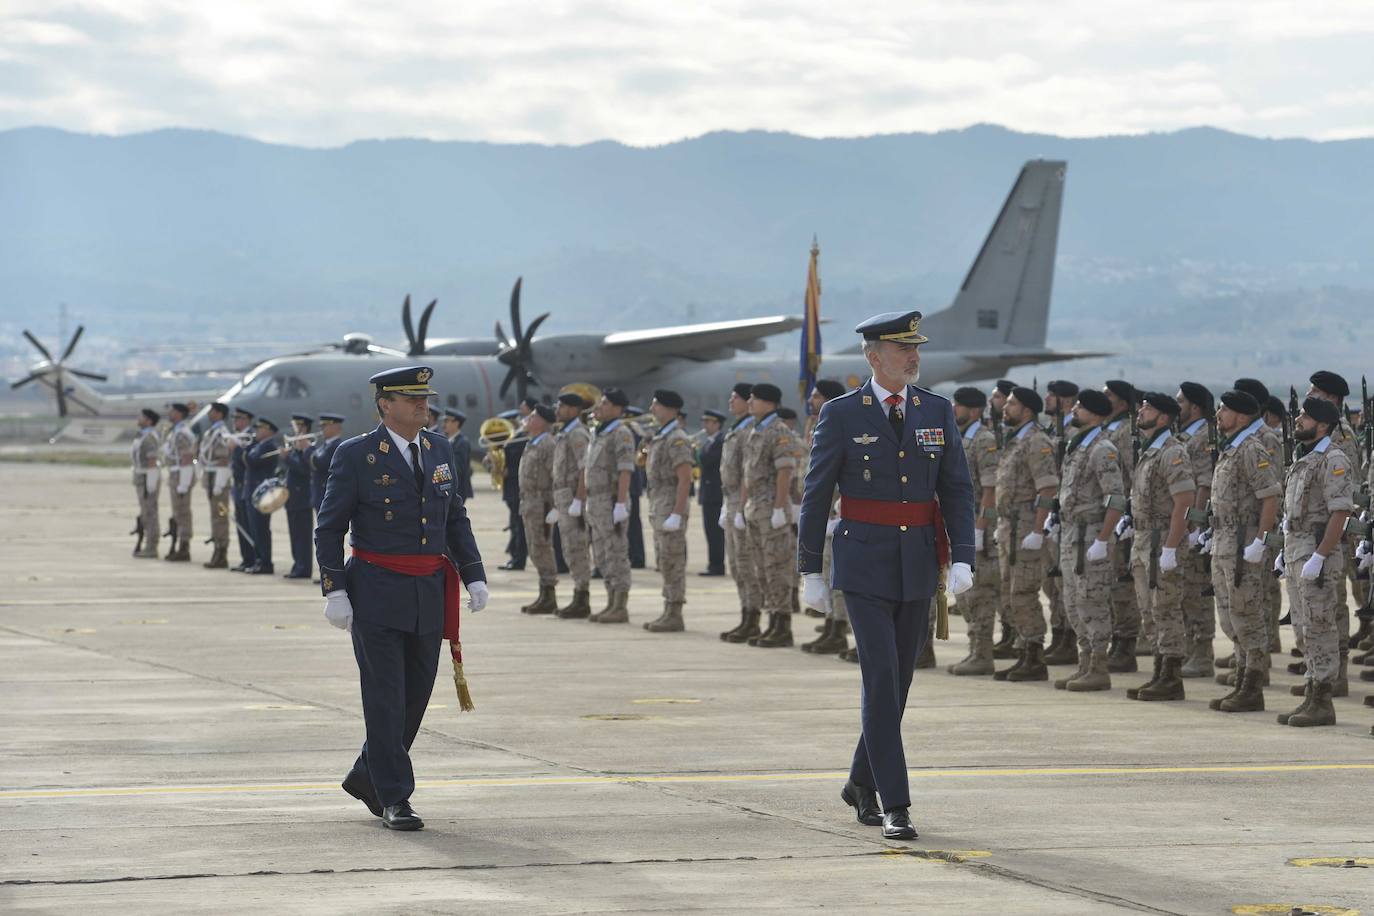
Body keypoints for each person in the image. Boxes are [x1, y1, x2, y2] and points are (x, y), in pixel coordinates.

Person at [798, 310, 975, 841]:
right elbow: (816, 492)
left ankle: (858, 780)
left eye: (916, 349)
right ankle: (894, 802)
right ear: (875, 358)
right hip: (863, 565)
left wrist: (962, 555)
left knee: (898, 685)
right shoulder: (842, 414)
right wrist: (809, 569)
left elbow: (957, 489)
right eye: (903, 350)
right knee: (879, 681)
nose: (914, 357)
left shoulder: (936, 411)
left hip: (918, 563)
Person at [316, 366, 488, 831]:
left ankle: (366, 774)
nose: (422, 406)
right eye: (411, 399)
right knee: (385, 697)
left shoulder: (439, 448)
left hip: (429, 591)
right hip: (375, 590)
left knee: (416, 696)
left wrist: (473, 574)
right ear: (384, 405)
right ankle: (394, 796)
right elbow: (329, 526)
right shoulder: (356, 455)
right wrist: (335, 589)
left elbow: (455, 517)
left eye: (424, 398)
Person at [1276, 397, 1355, 727]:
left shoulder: (1332, 459)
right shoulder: (1304, 459)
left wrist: (1321, 555)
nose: (1298, 419)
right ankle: (1311, 692)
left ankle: (1322, 700)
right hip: (1297, 549)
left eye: (1305, 416)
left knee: (1321, 626)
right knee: (1303, 626)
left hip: (1316, 553)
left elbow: (1341, 512)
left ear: (1322, 425)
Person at [1207, 389, 1282, 714]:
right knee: (1230, 615)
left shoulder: (1251, 448)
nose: (1219, 415)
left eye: (1223, 409)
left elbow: (1270, 495)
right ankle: (1241, 679)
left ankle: (1252, 685)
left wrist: (1260, 541)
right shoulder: (1232, 447)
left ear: (1240, 415)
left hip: (1243, 541)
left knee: (1247, 615)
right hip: (1225, 541)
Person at [1123, 392, 1195, 701]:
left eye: (1148, 408)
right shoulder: (1149, 450)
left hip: (1161, 540)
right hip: (1143, 541)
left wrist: (1170, 547)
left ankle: (1171, 676)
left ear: (1164, 418)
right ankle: (1158, 670)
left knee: (1165, 609)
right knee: (1149, 611)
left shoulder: (1171, 452)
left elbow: (1184, 503)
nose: (1141, 411)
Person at [1054, 389, 1126, 693]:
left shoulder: (1102, 449)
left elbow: (1116, 499)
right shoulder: (1077, 446)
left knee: (1091, 601)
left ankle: (1098, 667)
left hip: (1090, 535)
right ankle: (1085, 664)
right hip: (1072, 534)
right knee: (1073, 602)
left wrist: (1103, 538)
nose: (1075, 410)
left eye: (1081, 407)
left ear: (1095, 414)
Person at [992, 387, 1058, 682]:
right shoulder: (1015, 440)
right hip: (1010, 527)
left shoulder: (1036, 442)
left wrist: (1038, 529)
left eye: (1012, 404)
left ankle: (1034, 655)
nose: (1006, 408)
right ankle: (1024, 652)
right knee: (1009, 593)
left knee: (1023, 592)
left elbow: (1047, 489)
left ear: (1027, 411)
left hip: (1026, 527)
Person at [740, 383, 803, 648]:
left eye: (754, 399)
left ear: (768, 402)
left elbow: (784, 472)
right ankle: (772, 621)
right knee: (762, 568)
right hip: (756, 508)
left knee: (777, 566)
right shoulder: (755, 431)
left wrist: (780, 507)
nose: (750, 403)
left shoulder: (779, 432)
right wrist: (742, 507)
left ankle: (783, 624)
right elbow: (747, 474)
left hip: (771, 509)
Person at [945, 386, 1003, 675]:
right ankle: (974, 650)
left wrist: (981, 528)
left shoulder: (984, 440)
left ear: (975, 410)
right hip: (960, 526)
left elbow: (991, 489)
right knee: (965, 595)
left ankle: (982, 654)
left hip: (977, 528)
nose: (954, 409)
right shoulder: (961, 438)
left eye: (960, 405)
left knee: (979, 594)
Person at [800, 379, 854, 656]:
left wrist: (838, 507)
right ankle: (832, 625)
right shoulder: (816, 424)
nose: (811, 401)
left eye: (817, 396)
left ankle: (839, 628)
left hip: (841, 514)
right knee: (825, 572)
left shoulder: (843, 425)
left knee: (839, 576)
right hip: (824, 515)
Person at [1233, 378, 1286, 657]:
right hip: (1242, 528)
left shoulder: (1266, 437)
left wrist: (1263, 535)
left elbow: (1271, 486)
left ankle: (1259, 652)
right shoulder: (1242, 438)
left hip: (1260, 525)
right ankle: (1248, 650)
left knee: (1261, 590)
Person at [1174, 383, 1218, 678]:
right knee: (1185, 592)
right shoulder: (1185, 436)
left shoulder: (1203, 437)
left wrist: (1194, 524)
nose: (1177, 407)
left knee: (1196, 591)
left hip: (1195, 528)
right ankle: (1192, 648)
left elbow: (1203, 483)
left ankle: (1202, 653)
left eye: (1181, 402)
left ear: (1195, 407)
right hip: (1187, 526)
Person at [643, 389, 695, 632]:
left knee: (673, 559)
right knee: (663, 559)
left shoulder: (677, 438)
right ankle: (668, 607)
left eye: (657, 405)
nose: (652, 409)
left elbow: (685, 479)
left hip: (670, 503)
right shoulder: (660, 436)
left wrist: (677, 512)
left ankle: (675, 611)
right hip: (659, 503)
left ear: (670, 409)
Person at [585, 388, 636, 623]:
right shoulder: (598, 433)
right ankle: (610, 601)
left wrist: (621, 503)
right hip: (595, 502)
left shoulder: (621, 433)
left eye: (605, 403)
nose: (600, 406)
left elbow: (625, 469)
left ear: (617, 408)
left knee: (616, 553)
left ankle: (620, 605)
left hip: (611, 499)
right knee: (602, 554)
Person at [1102, 380, 1141, 671]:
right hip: (1114, 519)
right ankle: (1118, 639)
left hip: (1124, 520)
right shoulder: (1111, 429)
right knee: (1115, 583)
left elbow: (1132, 474)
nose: (1104, 398)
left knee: (1123, 584)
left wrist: (1128, 513)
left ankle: (1126, 644)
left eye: (1109, 395)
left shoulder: (1127, 432)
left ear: (1123, 404)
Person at [719, 383, 763, 642]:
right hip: (731, 499)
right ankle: (745, 614)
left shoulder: (749, 430)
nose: (730, 401)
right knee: (736, 565)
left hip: (744, 502)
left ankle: (754, 617)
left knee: (747, 565)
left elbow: (748, 472)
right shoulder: (736, 429)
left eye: (735, 397)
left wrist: (741, 507)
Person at [1041, 379, 1078, 663]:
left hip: (1068, 517)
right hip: (1052, 518)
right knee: (1051, 583)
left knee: (1065, 582)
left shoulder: (1074, 433)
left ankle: (1068, 638)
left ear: (1065, 401)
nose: (1046, 399)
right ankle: (1058, 634)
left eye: (1052, 396)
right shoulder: (1053, 430)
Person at [552, 392, 595, 618]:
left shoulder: (577, 433)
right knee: (569, 547)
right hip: (564, 497)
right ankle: (578, 594)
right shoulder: (564, 432)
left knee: (577, 547)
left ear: (573, 409)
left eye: (561, 406)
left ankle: (582, 597)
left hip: (572, 497)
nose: (558, 409)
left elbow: (583, 468)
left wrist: (579, 499)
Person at [518, 404, 560, 614]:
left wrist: (556, 506)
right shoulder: (532, 443)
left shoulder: (548, 444)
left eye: (533, 417)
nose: (528, 419)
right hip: (529, 503)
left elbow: (556, 476)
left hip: (542, 503)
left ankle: (549, 594)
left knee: (542, 548)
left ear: (543, 422)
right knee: (534, 548)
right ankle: (544, 593)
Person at [198, 402, 234, 569]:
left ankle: (221, 553)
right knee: (215, 516)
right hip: (211, 475)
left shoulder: (221, 433)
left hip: (218, 477)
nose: (209, 413)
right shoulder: (212, 432)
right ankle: (217, 550)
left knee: (220, 517)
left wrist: (220, 482)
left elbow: (224, 459)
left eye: (212, 411)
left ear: (219, 414)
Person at [244, 416, 282, 575]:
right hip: (255, 491)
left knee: (261, 529)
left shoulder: (269, 446)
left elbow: (252, 461)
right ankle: (259, 560)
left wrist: (243, 448)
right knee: (255, 528)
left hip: (263, 493)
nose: (256, 432)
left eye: (260, 429)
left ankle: (265, 562)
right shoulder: (260, 445)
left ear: (268, 431)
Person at [161, 402, 197, 561]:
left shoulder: (182, 433)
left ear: (180, 414)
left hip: (181, 474)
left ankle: (184, 546)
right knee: (178, 511)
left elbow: (187, 458)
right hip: (176, 473)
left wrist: (184, 482)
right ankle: (180, 545)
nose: (170, 413)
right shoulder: (176, 431)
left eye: (173, 411)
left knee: (182, 511)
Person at [283, 414, 315, 579]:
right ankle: (298, 565)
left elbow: (304, 469)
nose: (296, 431)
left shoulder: (310, 447)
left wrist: (288, 457)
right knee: (295, 535)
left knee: (302, 536)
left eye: (298, 427)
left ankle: (304, 568)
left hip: (302, 497)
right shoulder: (298, 447)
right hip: (292, 497)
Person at [697, 408, 726, 576]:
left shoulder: (720, 441)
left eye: (708, 422)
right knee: (709, 531)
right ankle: (712, 563)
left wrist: (696, 452)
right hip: (708, 493)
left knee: (715, 533)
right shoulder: (709, 441)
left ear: (717, 424)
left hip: (716, 493)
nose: (705, 425)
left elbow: (708, 460)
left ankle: (717, 565)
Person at [229, 408, 258, 571]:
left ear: (247, 420)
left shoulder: (250, 438)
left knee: (248, 525)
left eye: (238, 418)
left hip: (246, 485)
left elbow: (248, 461)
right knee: (241, 524)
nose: (235, 421)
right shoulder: (238, 437)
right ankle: (246, 559)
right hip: (238, 486)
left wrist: (237, 449)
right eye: (234, 418)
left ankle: (253, 559)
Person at [131, 408, 161, 558]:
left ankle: (152, 546)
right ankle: (149, 544)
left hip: (147, 477)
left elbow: (151, 461)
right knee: (146, 512)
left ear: (149, 421)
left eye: (141, 417)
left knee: (150, 513)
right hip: (141, 477)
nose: (139, 419)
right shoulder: (143, 436)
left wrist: (151, 483)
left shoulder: (149, 438)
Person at [312, 413, 346, 513]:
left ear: (335, 427)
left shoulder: (337, 446)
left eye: (324, 426)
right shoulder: (326, 445)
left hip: (328, 495)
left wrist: (306, 449)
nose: (322, 429)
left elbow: (322, 463)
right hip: (320, 494)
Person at [443, 409, 475, 501]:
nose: (444, 424)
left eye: (447, 421)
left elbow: (457, 468)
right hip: (448, 487)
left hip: (458, 489)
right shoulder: (447, 440)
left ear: (456, 423)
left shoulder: (462, 443)